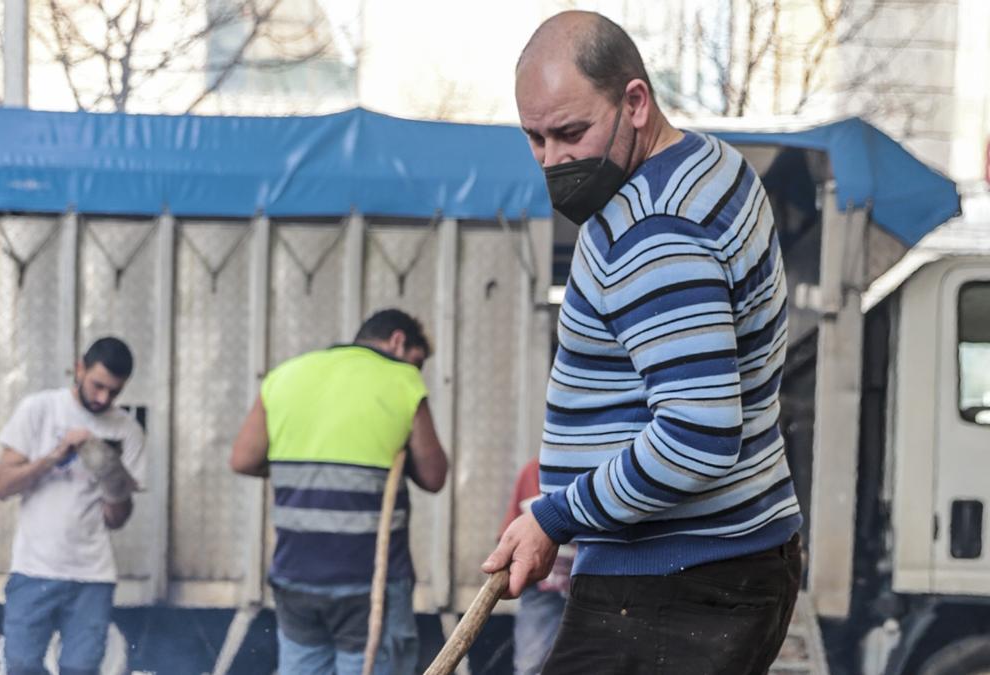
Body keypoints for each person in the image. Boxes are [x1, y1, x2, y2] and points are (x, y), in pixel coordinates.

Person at [483, 11, 803, 675]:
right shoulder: (716, 167)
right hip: (733, 561)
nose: (552, 159)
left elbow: (697, 432)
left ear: (635, 102)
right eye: (534, 138)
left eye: (571, 132)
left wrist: (554, 516)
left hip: (671, 583)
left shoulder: (651, 229)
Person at [230, 308, 449, 675]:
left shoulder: (284, 376)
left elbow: (242, 459)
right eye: (417, 361)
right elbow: (434, 476)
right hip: (368, 583)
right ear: (398, 341)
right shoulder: (402, 380)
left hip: (295, 576)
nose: (416, 370)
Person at [0, 337, 146, 675]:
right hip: (34, 569)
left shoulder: (127, 430)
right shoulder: (40, 409)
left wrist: (110, 473)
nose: (103, 398)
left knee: (81, 670)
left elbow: (117, 519)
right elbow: (2, 486)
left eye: (114, 392)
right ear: (79, 369)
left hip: (92, 574)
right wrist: (53, 457)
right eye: (98, 386)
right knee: (20, 666)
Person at [498, 459, 574, 675]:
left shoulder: (607, 470)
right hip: (543, 590)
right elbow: (509, 533)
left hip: (592, 589)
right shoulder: (533, 471)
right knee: (531, 664)